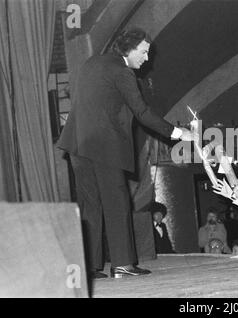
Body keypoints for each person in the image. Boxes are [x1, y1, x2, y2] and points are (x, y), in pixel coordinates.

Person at [57, 28, 196, 279]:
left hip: (77, 145)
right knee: (117, 203)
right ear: (129, 49)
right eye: (143, 52)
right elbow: (142, 113)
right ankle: (122, 263)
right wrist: (178, 133)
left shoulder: (92, 63)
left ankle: (90, 267)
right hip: (103, 146)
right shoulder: (123, 72)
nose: (146, 59)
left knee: (91, 206)